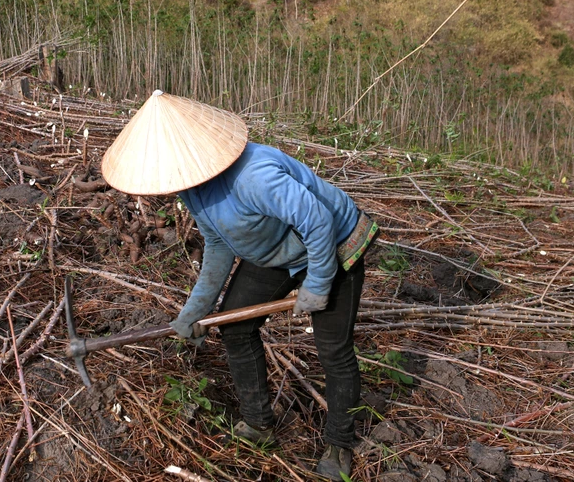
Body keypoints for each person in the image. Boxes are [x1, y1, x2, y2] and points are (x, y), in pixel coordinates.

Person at [101, 91, 378, 480]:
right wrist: (196, 310)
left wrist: (317, 284)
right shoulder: (192, 186)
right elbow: (217, 244)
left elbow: (318, 222)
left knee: (332, 350)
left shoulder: (255, 176)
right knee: (234, 326)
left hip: (333, 244)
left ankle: (339, 443)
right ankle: (259, 424)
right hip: (277, 250)